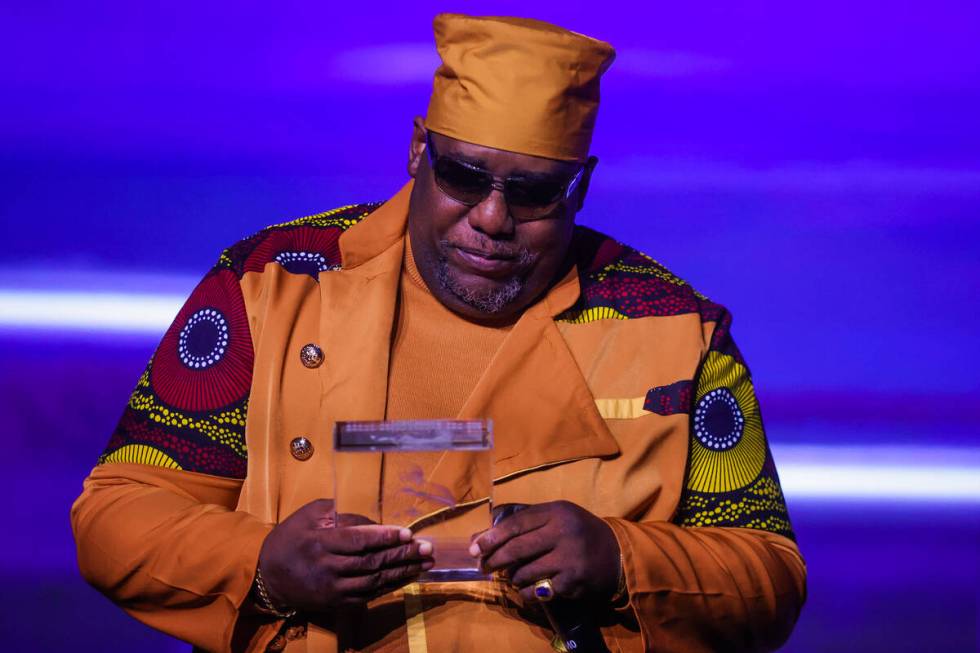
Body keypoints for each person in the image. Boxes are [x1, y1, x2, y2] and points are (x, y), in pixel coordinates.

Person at [71, 13, 806, 653]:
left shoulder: (671, 326)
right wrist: (262, 563)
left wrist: (619, 558)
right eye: (463, 176)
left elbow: (770, 575)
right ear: (419, 150)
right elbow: (115, 514)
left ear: (580, 185)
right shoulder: (274, 284)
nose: (491, 218)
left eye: (533, 191)